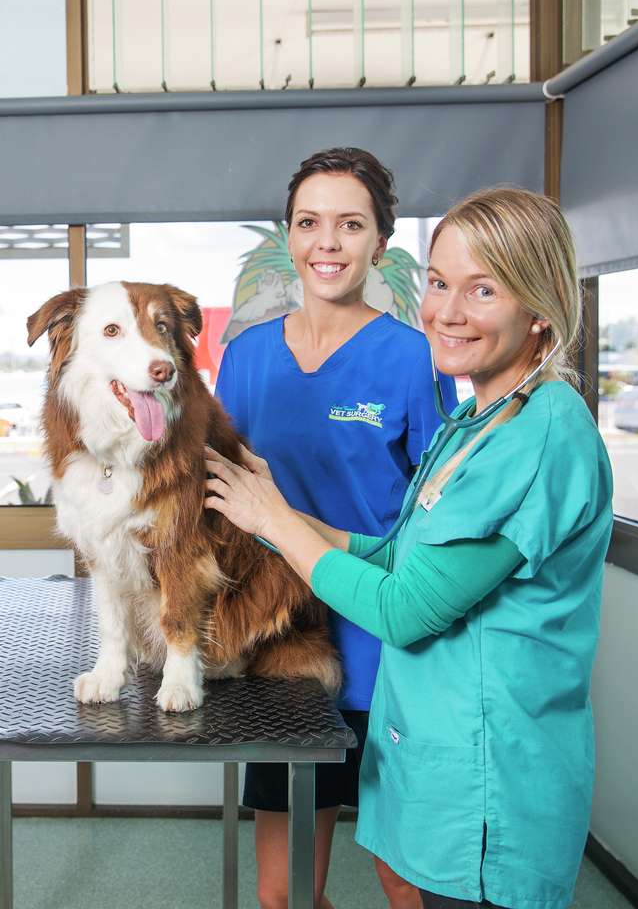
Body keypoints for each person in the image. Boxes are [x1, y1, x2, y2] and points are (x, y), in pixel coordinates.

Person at [205, 186, 614, 909]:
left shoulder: (539, 436)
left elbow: (404, 607)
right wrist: (283, 508)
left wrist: (274, 522)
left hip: (487, 767)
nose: (448, 311)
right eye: (439, 283)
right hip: (422, 726)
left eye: (483, 290)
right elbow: (399, 550)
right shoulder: (479, 421)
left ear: (540, 308)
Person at [209, 147, 457, 909]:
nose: (328, 242)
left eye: (350, 225)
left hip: (388, 651)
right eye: (310, 223)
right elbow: (217, 499)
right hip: (285, 654)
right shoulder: (246, 358)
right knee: (283, 897)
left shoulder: (418, 360)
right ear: (288, 236)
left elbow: (440, 518)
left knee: (407, 885)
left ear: (379, 241)